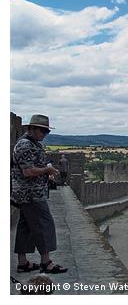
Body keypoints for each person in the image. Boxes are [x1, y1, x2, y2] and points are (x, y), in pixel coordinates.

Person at [11, 114, 68, 274]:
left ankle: (23, 263)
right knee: (44, 224)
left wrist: (46, 169)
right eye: (42, 131)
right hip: (30, 194)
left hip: (29, 193)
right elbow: (28, 171)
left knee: (26, 226)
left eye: (46, 131)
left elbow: (38, 163)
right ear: (31, 129)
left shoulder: (33, 143)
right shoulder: (24, 145)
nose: (44, 134)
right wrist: (46, 170)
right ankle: (46, 262)